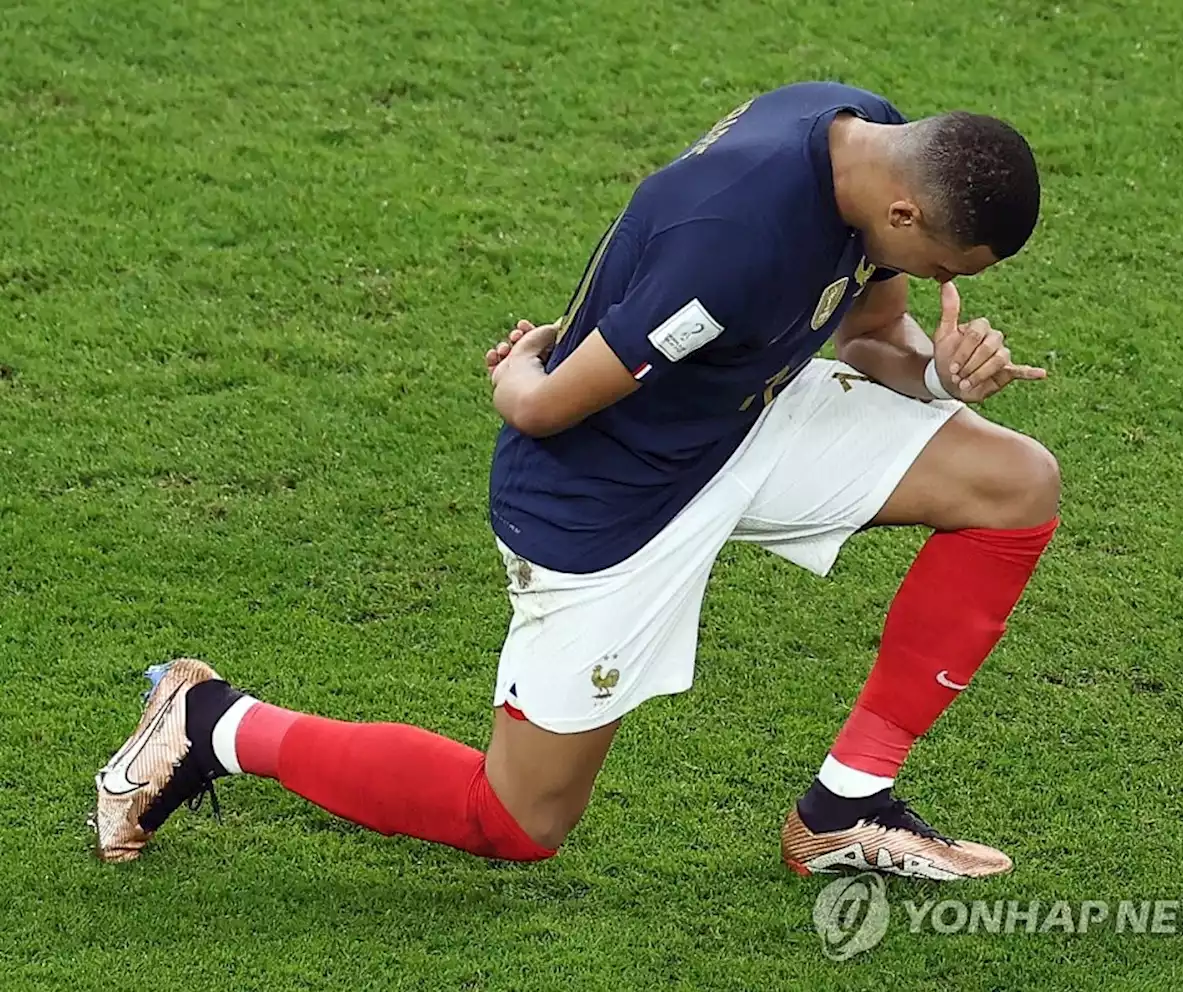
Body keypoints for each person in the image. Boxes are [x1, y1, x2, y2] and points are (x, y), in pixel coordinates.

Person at [94, 81, 1059, 880]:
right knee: (516, 822)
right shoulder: (736, 248)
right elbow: (549, 405)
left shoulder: (861, 128)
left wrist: (939, 373)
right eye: (938, 262)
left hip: (742, 419)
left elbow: (872, 334)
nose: (936, 279)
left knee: (1013, 483)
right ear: (904, 212)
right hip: (613, 504)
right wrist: (523, 367)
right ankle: (212, 722)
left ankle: (846, 808)